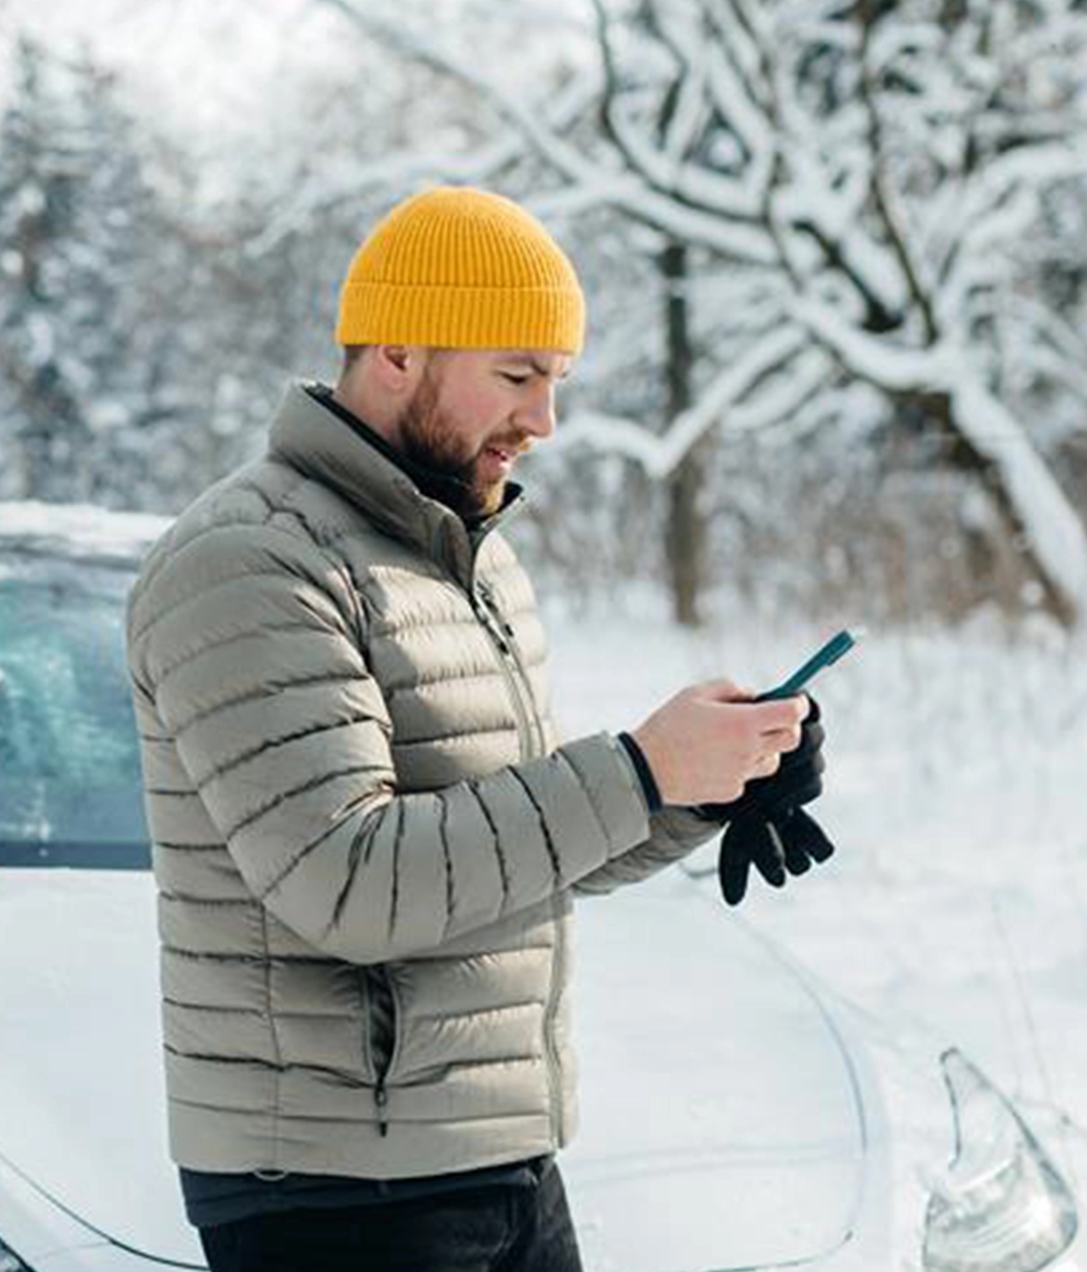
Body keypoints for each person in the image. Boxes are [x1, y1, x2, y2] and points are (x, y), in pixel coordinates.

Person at [123, 185, 829, 1272]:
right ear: (398, 351)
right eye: (516, 374)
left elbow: (506, 859)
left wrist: (705, 785)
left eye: (555, 381)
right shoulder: (249, 562)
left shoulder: (466, 558)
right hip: (335, 1198)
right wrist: (637, 772)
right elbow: (346, 883)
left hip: (495, 1161)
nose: (542, 421)